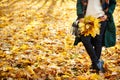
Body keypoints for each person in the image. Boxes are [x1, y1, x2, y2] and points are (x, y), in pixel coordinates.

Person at [73, 0, 116, 73]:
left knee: (98, 41)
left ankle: (95, 65)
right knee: (85, 40)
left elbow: (113, 2)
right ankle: (97, 62)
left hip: (100, 19)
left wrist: (107, 15)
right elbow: (79, 3)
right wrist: (80, 16)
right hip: (86, 20)